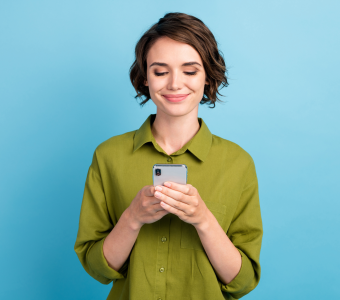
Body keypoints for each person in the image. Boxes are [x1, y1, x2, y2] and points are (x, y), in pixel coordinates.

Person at [74, 12, 263, 300]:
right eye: (161, 71)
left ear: (207, 77)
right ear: (145, 77)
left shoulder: (238, 163)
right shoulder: (108, 156)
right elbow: (97, 268)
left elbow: (243, 281)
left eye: (190, 71)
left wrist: (203, 220)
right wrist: (133, 218)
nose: (175, 84)